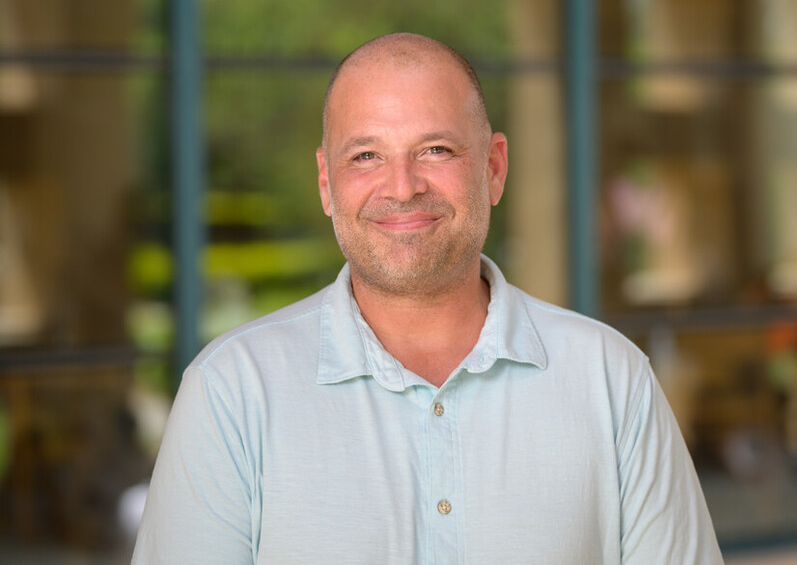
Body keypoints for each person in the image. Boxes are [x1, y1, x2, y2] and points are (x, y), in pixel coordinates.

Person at [132, 33, 723, 564]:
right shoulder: (231, 393)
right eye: (366, 156)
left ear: (493, 168)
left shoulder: (612, 380)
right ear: (326, 183)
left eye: (436, 150)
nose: (403, 186)